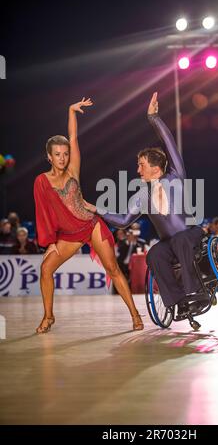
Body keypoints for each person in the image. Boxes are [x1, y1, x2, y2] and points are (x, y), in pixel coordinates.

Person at [33, 97, 143, 333]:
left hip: (91, 226)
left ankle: (135, 315)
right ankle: (48, 316)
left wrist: (70, 110)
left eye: (65, 153)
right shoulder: (42, 182)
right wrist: (49, 243)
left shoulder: (73, 169)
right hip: (68, 235)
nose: (62, 158)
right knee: (45, 270)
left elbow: (73, 137)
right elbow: (43, 213)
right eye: (57, 154)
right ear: (49, 157)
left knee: (113, 269)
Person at [96, 92, 209, 315]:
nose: (138, 170)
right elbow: (122, 221)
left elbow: (169, 143)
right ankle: (178, 301)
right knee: (154, 254)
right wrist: (95, 209)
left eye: (141, 165)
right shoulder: (141, 195)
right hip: (171, 243)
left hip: (190, 235)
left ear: (155, 167)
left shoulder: (175, 176)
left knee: (180, 239)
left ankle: (197, 292)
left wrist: (153, 118)